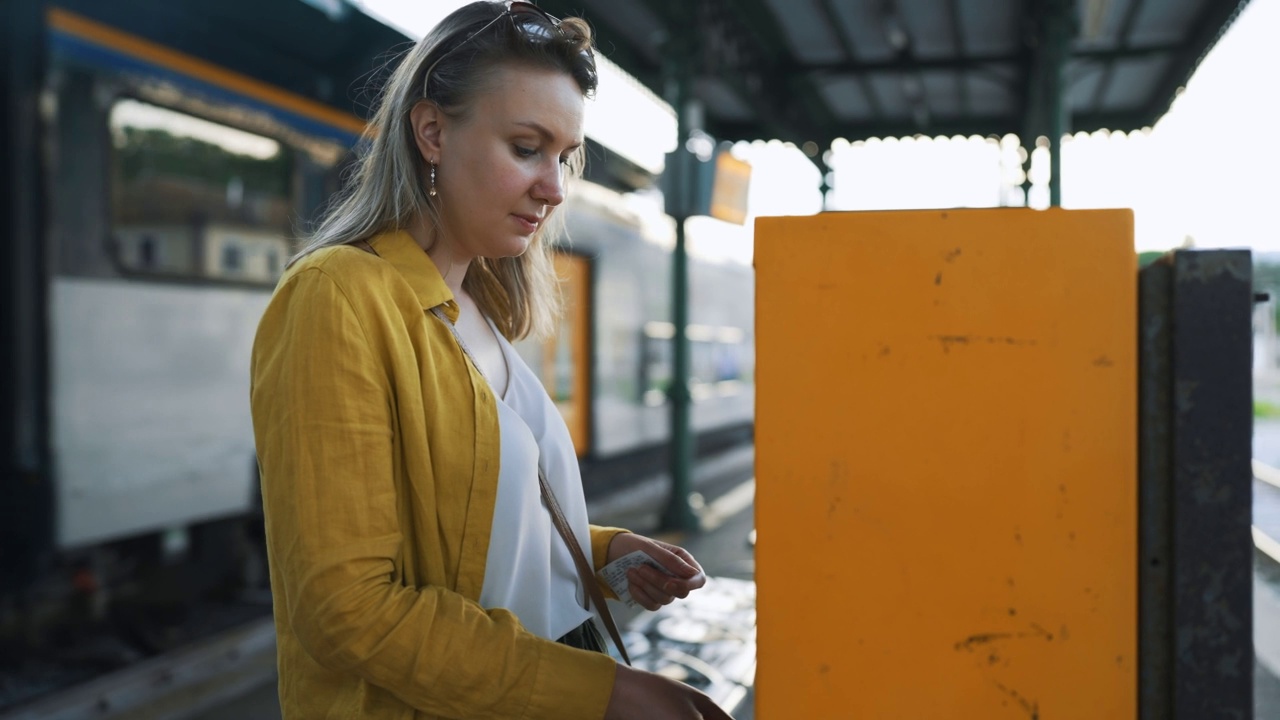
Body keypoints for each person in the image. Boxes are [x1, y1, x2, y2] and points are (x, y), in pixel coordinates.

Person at [248, 2, 735, 718]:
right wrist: (604, 692)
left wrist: (599, 553)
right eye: (526, 147)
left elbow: (471, 525)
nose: (555, 186)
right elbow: (346, 609)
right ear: (433, 132)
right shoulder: (338, 296)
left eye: (563, 156)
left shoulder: (475, 309)